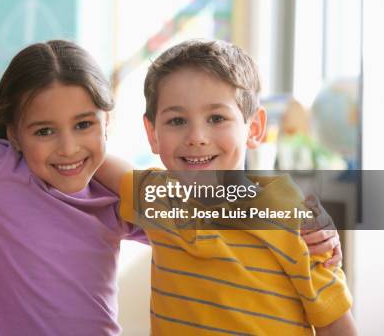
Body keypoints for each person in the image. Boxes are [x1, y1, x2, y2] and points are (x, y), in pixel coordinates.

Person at [0, 39, 341, 335]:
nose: (68, 149)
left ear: (108, 124)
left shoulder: (114, 193)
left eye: (84, 127)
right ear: (14, 134)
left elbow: (216, 202)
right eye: (44, 130)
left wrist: (310, 214)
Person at [117, 39, 356, 335]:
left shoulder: (300, 223)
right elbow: (92, 159)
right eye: (177, 120)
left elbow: (338, 328)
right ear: (152, 133)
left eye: (217, 118)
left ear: (254, 129)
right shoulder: (157, 195)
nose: (197, 137)